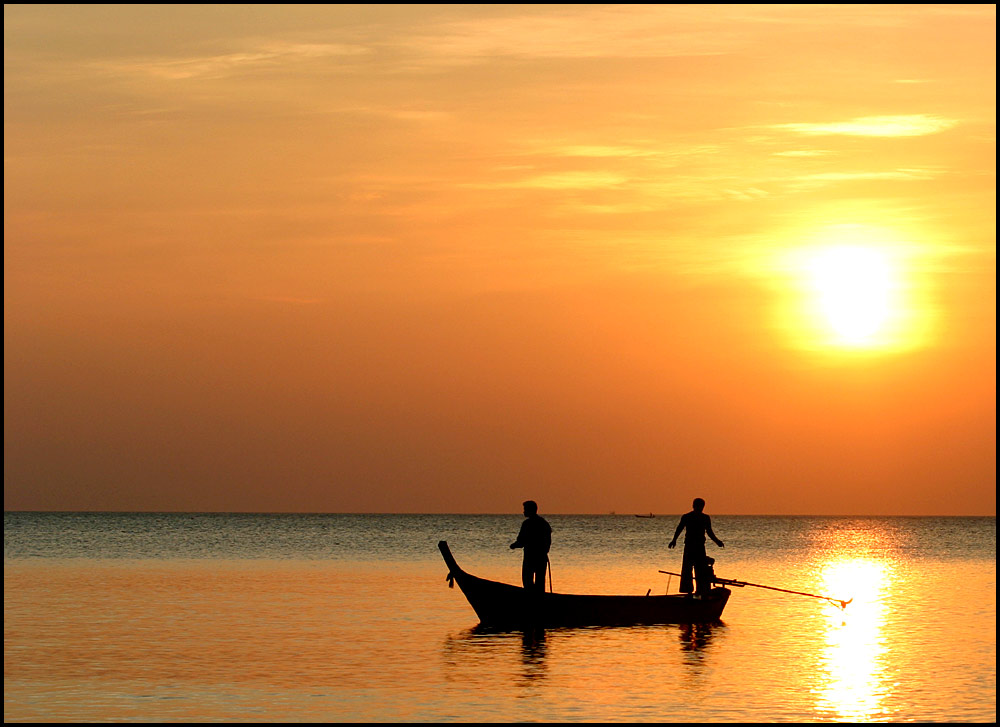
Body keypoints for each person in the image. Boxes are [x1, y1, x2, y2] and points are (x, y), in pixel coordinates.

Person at [668, 497, 724, 595]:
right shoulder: (687, 517)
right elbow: (679, 528)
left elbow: (709, 532)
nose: (700, 508)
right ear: (694, 506)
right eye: (698, 506)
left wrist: (717, 541)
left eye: (701, 506)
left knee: (700, 569)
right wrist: (674, 540)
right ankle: (688, 591)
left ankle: (700, 591)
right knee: (687, 569)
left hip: (699, 547)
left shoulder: (705, 518)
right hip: (690, 546)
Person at [510, 500, 551, 593]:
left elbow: (521, 541)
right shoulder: (544, 523)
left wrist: (513, 545)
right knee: (540, 583)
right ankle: (539, 600)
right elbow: (548, 542)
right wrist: (544, 552)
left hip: (530, 557)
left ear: (530, 510)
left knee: (527, 581)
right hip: (542, 557)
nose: (523, 512)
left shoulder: (527, 524)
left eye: (525, 509)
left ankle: (532, 600)